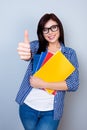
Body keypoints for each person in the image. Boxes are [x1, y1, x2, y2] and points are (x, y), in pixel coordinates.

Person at [15, 13, 79, 130]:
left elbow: (73, 84)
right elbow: (27, 53)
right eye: (45, 30)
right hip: (27, 107)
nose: (50, 32)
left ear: (59, 28)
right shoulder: (37, 46)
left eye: (53, 27)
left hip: (51, 111)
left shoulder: (69, 54)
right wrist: (25, 54)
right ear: (41, 32)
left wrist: (42, 84)